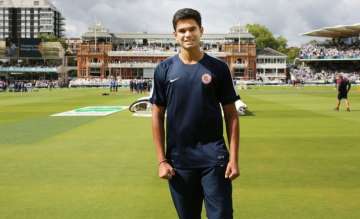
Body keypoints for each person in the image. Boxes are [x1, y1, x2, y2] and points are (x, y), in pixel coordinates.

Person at [150, 8, 240, 219]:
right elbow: (157, 115)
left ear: (201, 31)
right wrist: (161, 160)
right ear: (175, 35)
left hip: (214, 158)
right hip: (179, 162)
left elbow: (231, 115)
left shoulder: (218, 68)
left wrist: (233, 158)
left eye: (192, 29)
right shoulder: (164, 70)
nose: (187, 34)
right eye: (182, 30)